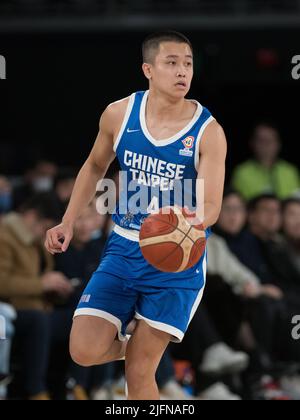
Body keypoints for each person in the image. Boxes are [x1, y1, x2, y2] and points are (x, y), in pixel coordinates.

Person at [45, 31, 227, 400]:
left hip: (177, 258)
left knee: (139, 373)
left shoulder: (209, 132)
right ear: (148, 69)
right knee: (82, 349)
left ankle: (145, 350)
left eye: (188, 64)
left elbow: (211, 206)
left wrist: (184, 223)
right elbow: (95, 165)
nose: (182, 71)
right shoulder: (119, 113)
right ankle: (138, 341)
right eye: (171, 63)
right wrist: (67, 219)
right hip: (123, 248)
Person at [0, 193, 73, 399]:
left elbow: (43, 277)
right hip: (11, 309)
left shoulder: (36, 239)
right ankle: (36, 390)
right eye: (45, 226)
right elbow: (2, 283)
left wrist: (57, 288)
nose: (46, 232)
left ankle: (79, 386)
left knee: (83, 318)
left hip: (39, 306)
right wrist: (42, 284)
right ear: (32, 216)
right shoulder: (5, 236)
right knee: (37, 321)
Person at [231, 123, 299, 201]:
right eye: (261, 140)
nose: (266, 145)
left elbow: (296, 203)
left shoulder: (290, 171)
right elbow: (238, 205)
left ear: (278, 144)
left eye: (270, 140)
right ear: (252, 143)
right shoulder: (241, 172)